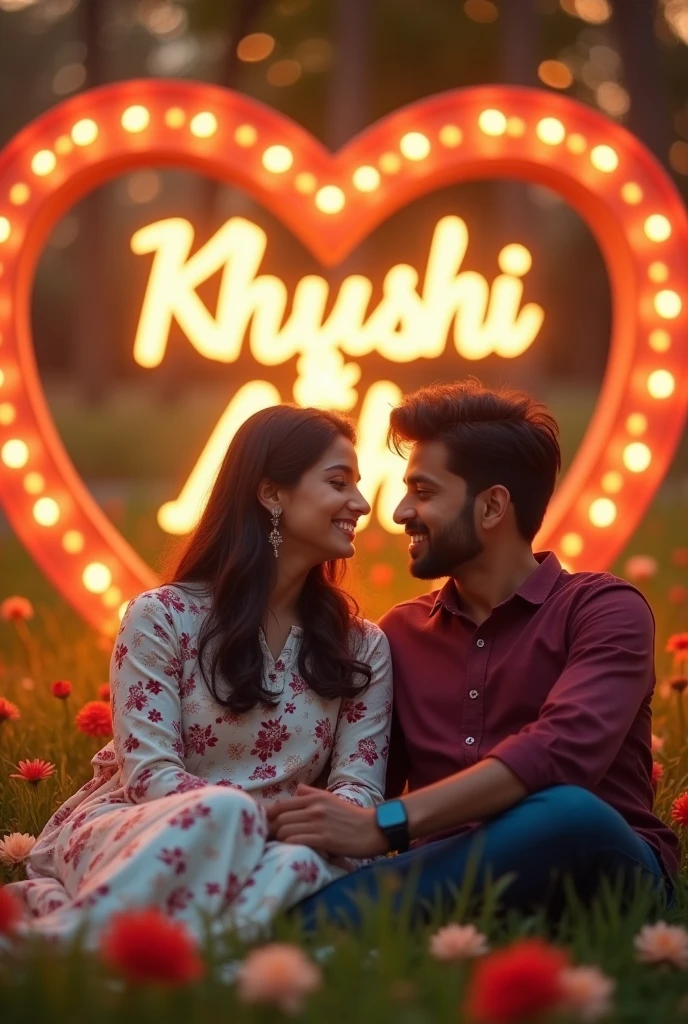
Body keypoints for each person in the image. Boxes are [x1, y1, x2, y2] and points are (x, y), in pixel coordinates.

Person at [268, 381, 679, 927]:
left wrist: (384, 824)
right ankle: (309, 919)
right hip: (445, 872)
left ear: (492, 506)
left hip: (595, 864)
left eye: (424, 491)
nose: (399, 511)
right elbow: (361, 781)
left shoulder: (604, 610)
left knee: (571, 814)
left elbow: (563, 755)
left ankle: (305, 925)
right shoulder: (400, 634)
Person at [7, 406, 392, 945]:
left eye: (358, 483)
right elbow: (150, 777)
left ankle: (182, 969)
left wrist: (285, 828)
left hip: (283, 847)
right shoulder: (160, 617)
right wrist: (251, 815)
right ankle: (63, 951)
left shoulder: (362, 647)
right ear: (271, 494)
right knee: (229, 814)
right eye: (338, 482)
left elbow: (359, 790)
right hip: (146, 828)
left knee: (300, 866)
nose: (361, 502)